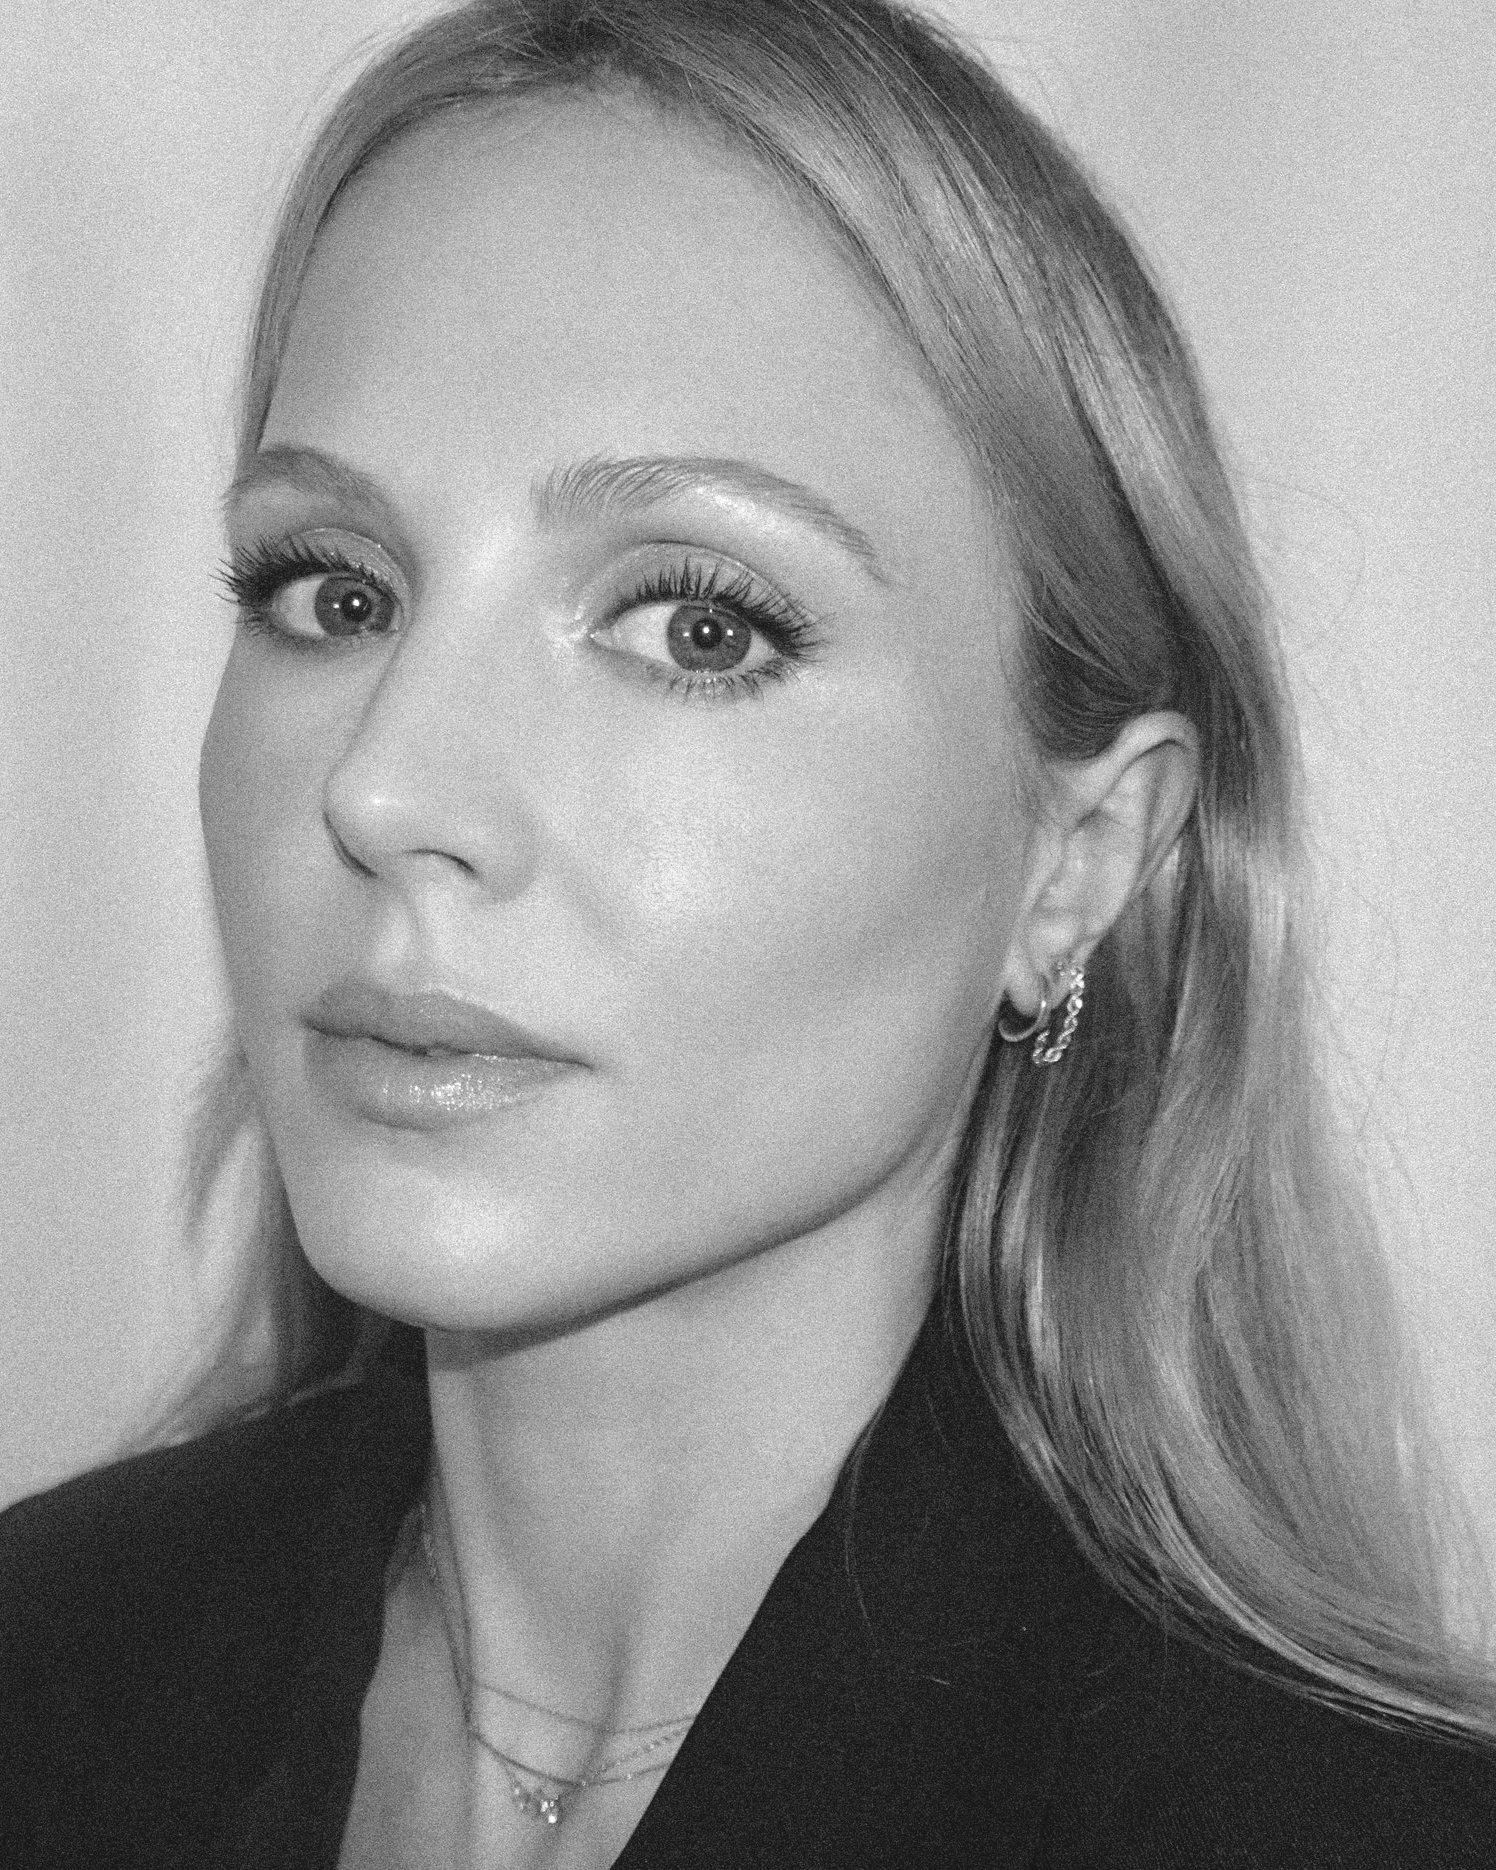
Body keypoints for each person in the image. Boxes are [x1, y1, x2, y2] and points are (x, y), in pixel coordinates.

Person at [1, 1, 1492, 1864]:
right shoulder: (50, 1677)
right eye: (336, 588)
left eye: (698, 623)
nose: (386, 788)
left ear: (1081, 857)